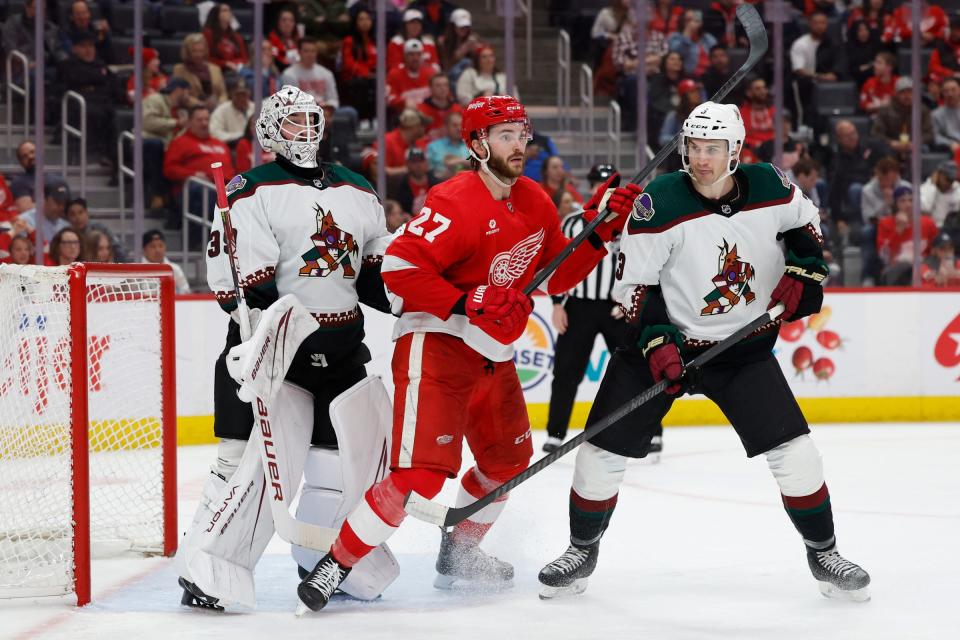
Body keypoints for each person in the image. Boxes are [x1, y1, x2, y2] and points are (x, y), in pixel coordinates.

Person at [295, 94, 639, 612]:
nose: (520, 145)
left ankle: (458, 553)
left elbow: (557, 276)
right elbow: (399, 270)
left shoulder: (535, 201)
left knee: (507, 461)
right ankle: (335, 564)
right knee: (421, 475)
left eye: (523, 134)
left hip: (491, 355)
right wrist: (466, 298)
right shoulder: (453, 200)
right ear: (477, 144)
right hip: (435, 347)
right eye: (506, 136)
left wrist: (599, 233)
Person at [538, 101, 871, 603]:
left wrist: (803, 276)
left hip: (741, 350)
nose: (700, 158)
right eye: (693, 147)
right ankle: (582, 549)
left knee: (796, 454)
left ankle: (823, 551)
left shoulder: (772, 186)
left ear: (735, 150)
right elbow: (635, 290)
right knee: (600, 454)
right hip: (660, 348)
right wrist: (659, 346)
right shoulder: (659, 203)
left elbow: (808, 233)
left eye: (712, 148)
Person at [175, 84, 396, 611]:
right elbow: (247, 290)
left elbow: (375, 277)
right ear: (271, 131)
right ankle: (208, 567)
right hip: (275, 353)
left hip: (342, 351)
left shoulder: (358, 190)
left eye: (313, 119)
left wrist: (429, 297)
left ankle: (328, 560)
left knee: (342, 467)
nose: (308, 130)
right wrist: (275, 339)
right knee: (248, 465)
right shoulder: (249, 190)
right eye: (295, 122)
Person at [544, 163, 661, 455]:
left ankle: (652, 431)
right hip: (579, 306)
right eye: (599, 183)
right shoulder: (572, 221)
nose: (605, 189)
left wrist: (631, 299)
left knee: (637, 368)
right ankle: (556, 433)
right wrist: (558, 304)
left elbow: (643, 262)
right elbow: (560, 261)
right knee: (566, 371)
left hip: (617, 307)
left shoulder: (634, 221)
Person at [876, 186, 939, 286]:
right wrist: (898, 231)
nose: (908, 204)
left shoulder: (928, 222)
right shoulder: (885, 223)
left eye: (911, 200)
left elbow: (937, 249)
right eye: (903, 201)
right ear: (896, 204)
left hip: (924, 266)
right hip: (898, 269)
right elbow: (885, 255)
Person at [280, 37, 340, 109]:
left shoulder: (326, 73)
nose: (310, 54)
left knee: (350, 112)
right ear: (299, 52)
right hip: (303, 113)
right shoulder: (289, 74)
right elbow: (291, 103)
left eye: (313, 51)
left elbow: (333, 99)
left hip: (325, 110)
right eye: (306, 51)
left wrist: (328, 108)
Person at [340, 8, 377, 122]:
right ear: (356, 22)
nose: (365, 22)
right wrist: (366, 73)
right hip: (353, 79)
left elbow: (376, 61)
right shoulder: (349, 41)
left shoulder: (374, 41)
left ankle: (375, 119)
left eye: (367, 19)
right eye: (361, 19)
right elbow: (349, 64)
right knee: (362, 84)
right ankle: (363, 120)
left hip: (372, 77)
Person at [173, 33, 228, 109]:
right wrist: (202, 104)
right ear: (187, 52)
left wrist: (220, 104)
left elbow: (223, 93)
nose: (198, 55)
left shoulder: (215, 69)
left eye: (201, 51)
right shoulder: (179, 70)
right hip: (191, 110)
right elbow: (180, 95)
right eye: (194, 51)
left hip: (216, 109)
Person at [65, 197, 127, 263]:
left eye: (81, 212)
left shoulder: (100, 229)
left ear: (87, 213)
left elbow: (118, 248)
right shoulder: (66, 235)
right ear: (67, 217)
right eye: (73, 214)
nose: (77, 217)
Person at [387, 39, 434, 115]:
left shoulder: (431, 72)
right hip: (405, 116)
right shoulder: (394, 74)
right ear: (405, 56)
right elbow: (390, 98)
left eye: (418, 54)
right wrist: (403, 102)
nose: (415, 58)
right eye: (411, 55)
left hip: (429, 114)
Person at [203, 3, 248, 72]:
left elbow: (244, 58)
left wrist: (234, 63)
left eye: (230, 10)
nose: (229, 13)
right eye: (224, 10)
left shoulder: (237, 36)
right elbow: (205, 57)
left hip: (236, 69)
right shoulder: (208, 33)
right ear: (216, 14)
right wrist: (225, 63)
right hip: (214, 70)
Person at [141, 229, 190, 294]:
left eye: (160, 246)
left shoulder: (174, 269)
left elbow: (186, 292)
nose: (157, 250)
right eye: (152, 246)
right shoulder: (135, 271)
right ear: (144, 249)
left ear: (165, 247)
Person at [393, 147, 439, 215]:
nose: (418, 165)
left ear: (426, 163)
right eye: (414, 162)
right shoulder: (400, 186)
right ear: (407, 164)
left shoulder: (436, 184)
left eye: (421, 161)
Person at [426, 111, 469, 179]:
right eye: (455, 125)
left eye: (461, 125)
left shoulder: (470, 145)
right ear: (446, 127)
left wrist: (458, 161)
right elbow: (428, 174)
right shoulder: (433, 147)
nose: (459, 128)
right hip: (442, 185)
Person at [210, 80, 255, 145]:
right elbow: (214, 133)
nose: (241, 98)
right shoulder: (221, 110)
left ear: (249, 94)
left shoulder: (256, 108)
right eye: (238, 95)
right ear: (231, 94)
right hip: (232, 146)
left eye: (244, 94)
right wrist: (240, 136)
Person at [417, 73, 461, 140]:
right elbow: (417, 137)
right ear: (431, 88)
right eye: (438, 85)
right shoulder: (420, 110)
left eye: (445, 85)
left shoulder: (457, 108)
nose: (443, 88)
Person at [920, 160, 960, 228]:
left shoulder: (957, 189)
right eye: (947, 179)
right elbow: (925, 209)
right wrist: (932, 187)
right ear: (938, 174)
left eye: (952, 180)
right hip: (932, 227)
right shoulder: (925, 188)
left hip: (951, 229)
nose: (949, 183)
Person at [934, 78, 960, 153]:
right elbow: (935, 136)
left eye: (953, 90)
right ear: (942, 93)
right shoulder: (936, 114)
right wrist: (950, 143)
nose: (950, 94)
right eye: (946, 91)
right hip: (949, 149)